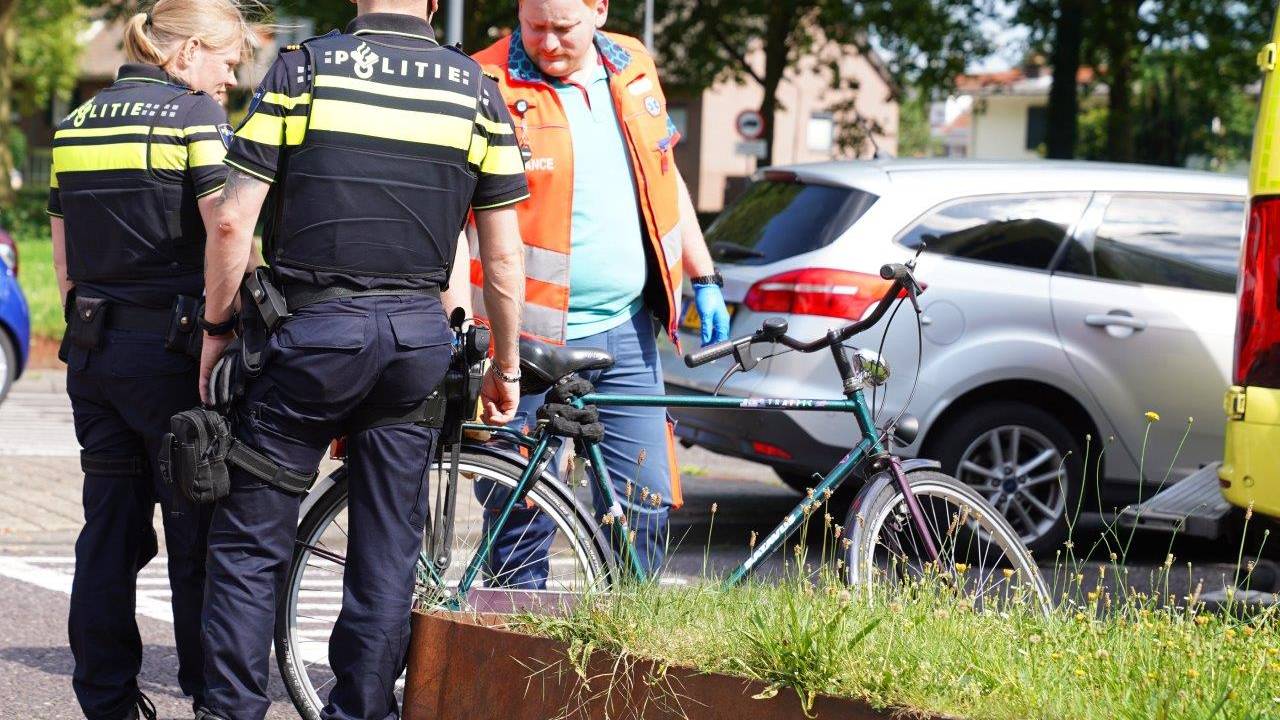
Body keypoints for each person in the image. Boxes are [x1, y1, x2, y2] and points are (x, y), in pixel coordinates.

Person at [194, 0, 527, 717]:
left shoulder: (301, 71)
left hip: (312, 335)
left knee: (252, 545)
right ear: (433, 3)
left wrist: (217, 329)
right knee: (386, 549)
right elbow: (501, 254)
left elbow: (231, 218)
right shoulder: (476, 90)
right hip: (414, 344)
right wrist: (508, 365)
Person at [470, 0, 731, 584]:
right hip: (523, 343)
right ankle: (518, 662)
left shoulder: (633, 64)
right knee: (520, 513)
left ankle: (628, 658)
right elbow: (460, 220)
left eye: (563, 28)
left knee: (643, 507)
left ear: (599, 11)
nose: (548, 42)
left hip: (628, 331)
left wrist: (704, 274)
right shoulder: (484, 79)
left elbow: (665, 175)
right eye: (534, 25)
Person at [46, 2, 253, 717]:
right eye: (228, 63)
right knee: (196, 535)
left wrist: (90, 336)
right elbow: (225, 230)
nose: (229, 80)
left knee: (108, 529)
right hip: (176, 355)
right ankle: (206, 697)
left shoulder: (73, 126)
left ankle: (107, 699)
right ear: (189, 51)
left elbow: (65, 266)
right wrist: (226, 329)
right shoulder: (194, 119)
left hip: (93, 351)